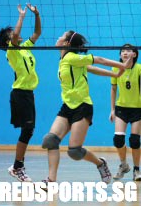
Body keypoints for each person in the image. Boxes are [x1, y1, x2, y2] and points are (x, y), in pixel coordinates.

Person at [41, 31, 133, 186]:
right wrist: (116, 76)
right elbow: (90, 69)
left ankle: (100, 163)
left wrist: (121, 66)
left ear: (67, 43)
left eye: (61, 36)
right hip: (67, 106)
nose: (58, 38)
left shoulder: (71, 57)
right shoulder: (65, 59)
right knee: (50, 140)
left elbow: (99, 60)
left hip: (82, 107)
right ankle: (51, 180)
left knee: (74, 151)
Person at [0, 3, 41, 182]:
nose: (18, 34)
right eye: (13, 34)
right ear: (8, 41)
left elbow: (37, 33)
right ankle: (17, 167)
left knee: (28, 130)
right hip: (20, 94)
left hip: (28, 93)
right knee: (27, 130)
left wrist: (36, 14)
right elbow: (14, 36)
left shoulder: (24, 48)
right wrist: (21, 16)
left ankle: (17, 166)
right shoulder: (11, 51)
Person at [110, 44, 141, 181]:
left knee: (134, 140)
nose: (125, 53)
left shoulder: (139, 69)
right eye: (122, 51)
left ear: (134, 54)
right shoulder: (116, 68)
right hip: (121, 108)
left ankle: (136, 169)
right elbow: (113, 89)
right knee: (118, 139)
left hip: (137, 109)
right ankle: (123, 165)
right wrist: (112, 109)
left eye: (128, 51)